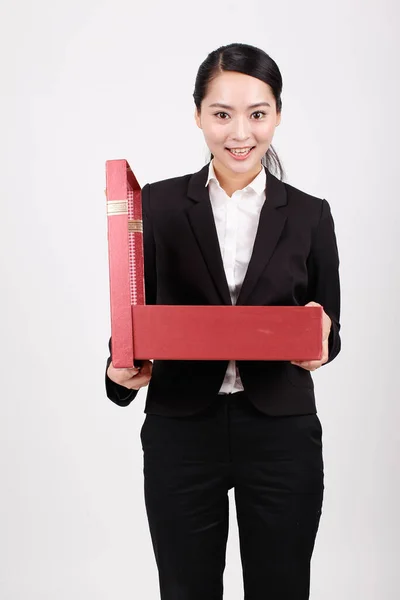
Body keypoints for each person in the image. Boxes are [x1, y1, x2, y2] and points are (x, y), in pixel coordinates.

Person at [105, 42, 341, 600]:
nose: (241, 132)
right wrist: (118, 373)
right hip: (183, 429)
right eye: (222, 114)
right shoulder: (156, 206)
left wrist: (321, 344)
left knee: (281, 589)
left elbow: (330, 330)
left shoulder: (310, 214)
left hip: (280, 432)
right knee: (186, 590)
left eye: (258, 114)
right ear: (198, 115)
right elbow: (131, 320)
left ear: (277, 115)